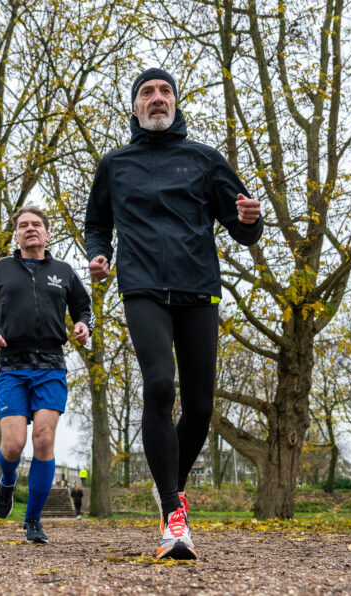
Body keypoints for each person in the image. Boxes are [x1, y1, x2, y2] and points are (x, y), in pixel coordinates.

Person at [85, 68, 263, 560]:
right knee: (160, 386)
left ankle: (172, 484)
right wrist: (99, 255)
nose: (157, 98)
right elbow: (97, 223)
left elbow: (241, 225)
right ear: (136, 107)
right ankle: (172, 514)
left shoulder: (205, 161)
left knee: (201, 406)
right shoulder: (114, 165)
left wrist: (250, 220)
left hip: (198, 289)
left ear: (177, 103)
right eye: (147, 92)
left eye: (165, 91)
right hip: (141, 287)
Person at [0, 206, 95, 544]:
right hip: (11, 365)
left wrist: (83, 325)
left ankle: (33, 520)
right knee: (12, 445)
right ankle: (7, 482)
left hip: (51, 364)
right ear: (16, 235)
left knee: (43, 439)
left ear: (47, 234)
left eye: (36, 225)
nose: (30, 229)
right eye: (23, 225)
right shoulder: (1, 270)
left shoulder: (64, 271)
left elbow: (84, 308)